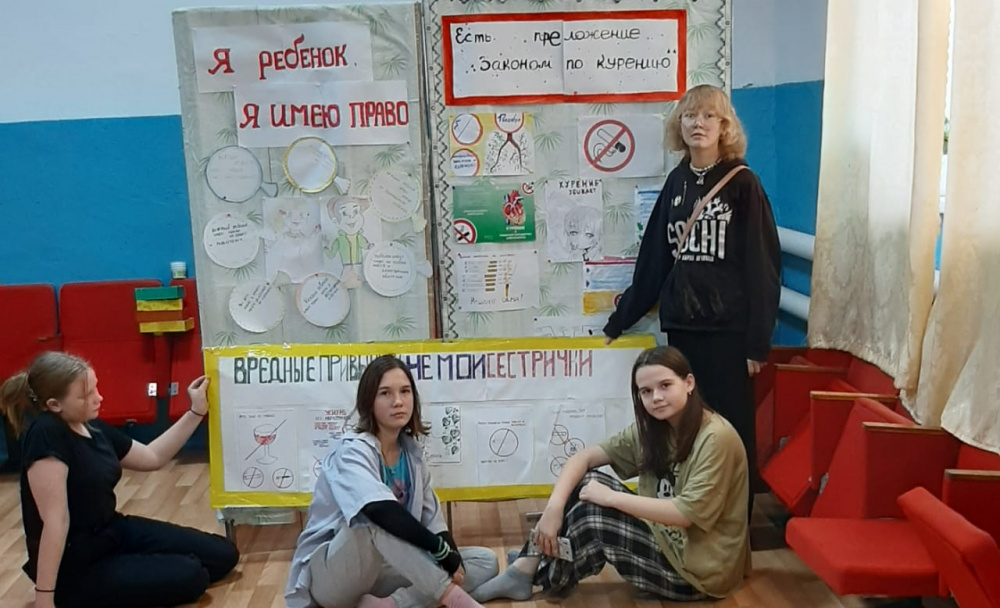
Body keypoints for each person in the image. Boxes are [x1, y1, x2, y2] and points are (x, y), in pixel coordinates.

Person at [603, 84, 781, 500]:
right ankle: (687, 509)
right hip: (682, 328)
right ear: (678, 126)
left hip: (728, 333)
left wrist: (757, 343)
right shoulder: (677, 182)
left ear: (724, 126)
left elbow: (763, 266)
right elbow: (654, 261)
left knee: (729, 426)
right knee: (684, 425)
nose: (698, 124)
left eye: (708, 116)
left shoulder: (742, 183)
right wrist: (619, 320)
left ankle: (734, 517)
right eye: (689, 116)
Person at [472, 346, 751, 603]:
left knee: (593, 514)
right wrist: (553, 509)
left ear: (688, 383)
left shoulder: (716, 437)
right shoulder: (656, 429)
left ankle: (536, 569)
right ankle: (530, 563)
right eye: (646, 391)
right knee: (586, 481)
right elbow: (583, 458)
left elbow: (685, 514)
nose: (656, 397)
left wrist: (612, 498)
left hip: (699, 572)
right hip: (666, 539)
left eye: (665, 385)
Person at [0, 351, 239, 608]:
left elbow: (152, 457)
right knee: (192, 576)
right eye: (85, 395)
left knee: (223, 554)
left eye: (95, 388)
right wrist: (44, 598)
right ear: (54, 405)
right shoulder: (45, 433)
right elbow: (55, 522)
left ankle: (132, 571)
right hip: (77, 563)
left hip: (112, 532)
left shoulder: (88, 424)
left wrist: (195, 412)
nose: (98, 398)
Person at [285, 355, 498, 608]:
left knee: (483, 561)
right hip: (333, 577)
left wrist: (451, 558)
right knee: (373, 522)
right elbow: (379, 510)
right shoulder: (351, 451)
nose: (398, 401)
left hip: (386, 568)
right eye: (385, 393)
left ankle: (391, 604)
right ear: (369, 401)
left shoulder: (412, 453)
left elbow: (433, 523)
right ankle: (458, 600)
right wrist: (439, 551)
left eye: (405, 391)